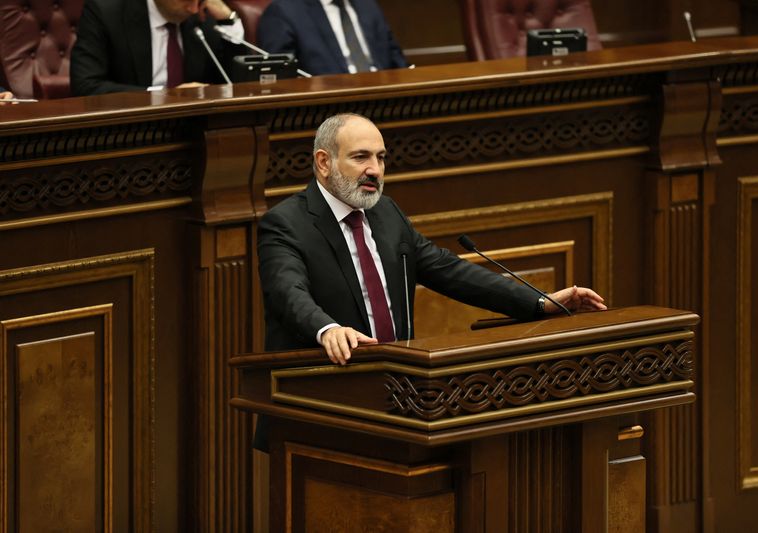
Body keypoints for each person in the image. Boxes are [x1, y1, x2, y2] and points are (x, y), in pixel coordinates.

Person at [257, 113, 607, 366]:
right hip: (318, 393)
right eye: (361, 157)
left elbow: (450, 271)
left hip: (396, 384)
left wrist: (539, 302)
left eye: (381, 158)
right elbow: (288, 293)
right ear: (323, 163)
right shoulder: (287, 223)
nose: (375, 170)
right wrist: (327, 328)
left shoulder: (386, 213)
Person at [70, 0, 246, 96]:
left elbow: (235, 83)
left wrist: (227, 19)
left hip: (197, 131)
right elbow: (85, 86)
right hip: (131, 131)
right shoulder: (106, 11)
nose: (193, 8)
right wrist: (165, 96)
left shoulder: (202, 14)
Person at [257, 0, 407, 76]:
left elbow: (398, 61)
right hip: (329, 112)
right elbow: (279, 79)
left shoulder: (367, 4)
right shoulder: (284, 12)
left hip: (383, 98)